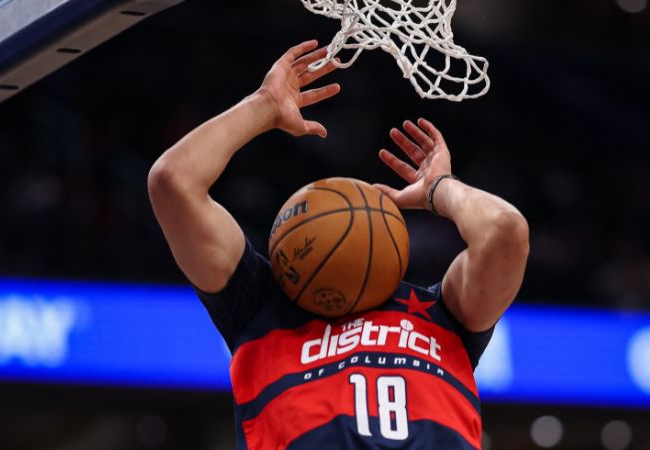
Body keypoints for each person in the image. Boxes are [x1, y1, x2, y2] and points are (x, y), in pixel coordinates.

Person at [148, 40, 529, 450]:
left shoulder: (444, 314)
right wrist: (263, 105)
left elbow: (505, 231)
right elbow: (173, 182)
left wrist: (441, 189)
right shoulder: (258, 305)